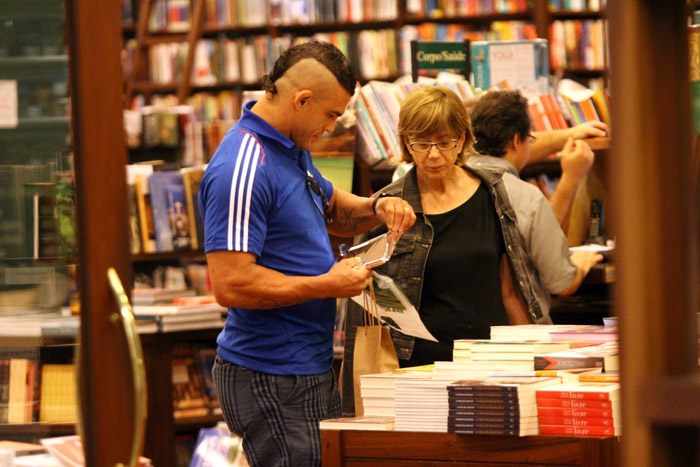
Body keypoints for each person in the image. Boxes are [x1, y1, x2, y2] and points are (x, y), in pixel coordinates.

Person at [198, 41, 416, 467]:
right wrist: (326, 285)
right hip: (272, 372)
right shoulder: (244, 165)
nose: (332, 127)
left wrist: (377, 207)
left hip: (300, 366)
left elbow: (331, 207)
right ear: (302, 100)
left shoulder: (289, 149)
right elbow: (230, 284)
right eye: (331, 115)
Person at [339, 86, 601, 416]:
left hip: (488, 365)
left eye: (445, 142)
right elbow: (366, 305)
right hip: (416, 371)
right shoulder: (388, 207)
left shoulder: (493, 194)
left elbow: (508, 288)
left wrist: (532, 359)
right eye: (421, 144)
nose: (433, 155)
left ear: (462, 139)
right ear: (406, 143)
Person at [468, 90, 609, 231]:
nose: (530, 144)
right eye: (529, 138)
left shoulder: (464, 180)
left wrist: (570, 135)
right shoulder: (521, 195)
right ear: (517, 141)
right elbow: (543, 237)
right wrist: (570, 178)